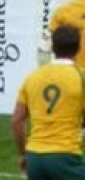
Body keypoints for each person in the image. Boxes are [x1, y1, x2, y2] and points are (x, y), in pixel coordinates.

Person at [12, 25, 85, 180]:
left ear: (52, 47)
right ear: (79, 48)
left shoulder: (33, 77)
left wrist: (23, 154)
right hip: (65, 155)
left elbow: (16, 120)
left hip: (34, 158)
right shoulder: (80, 78)